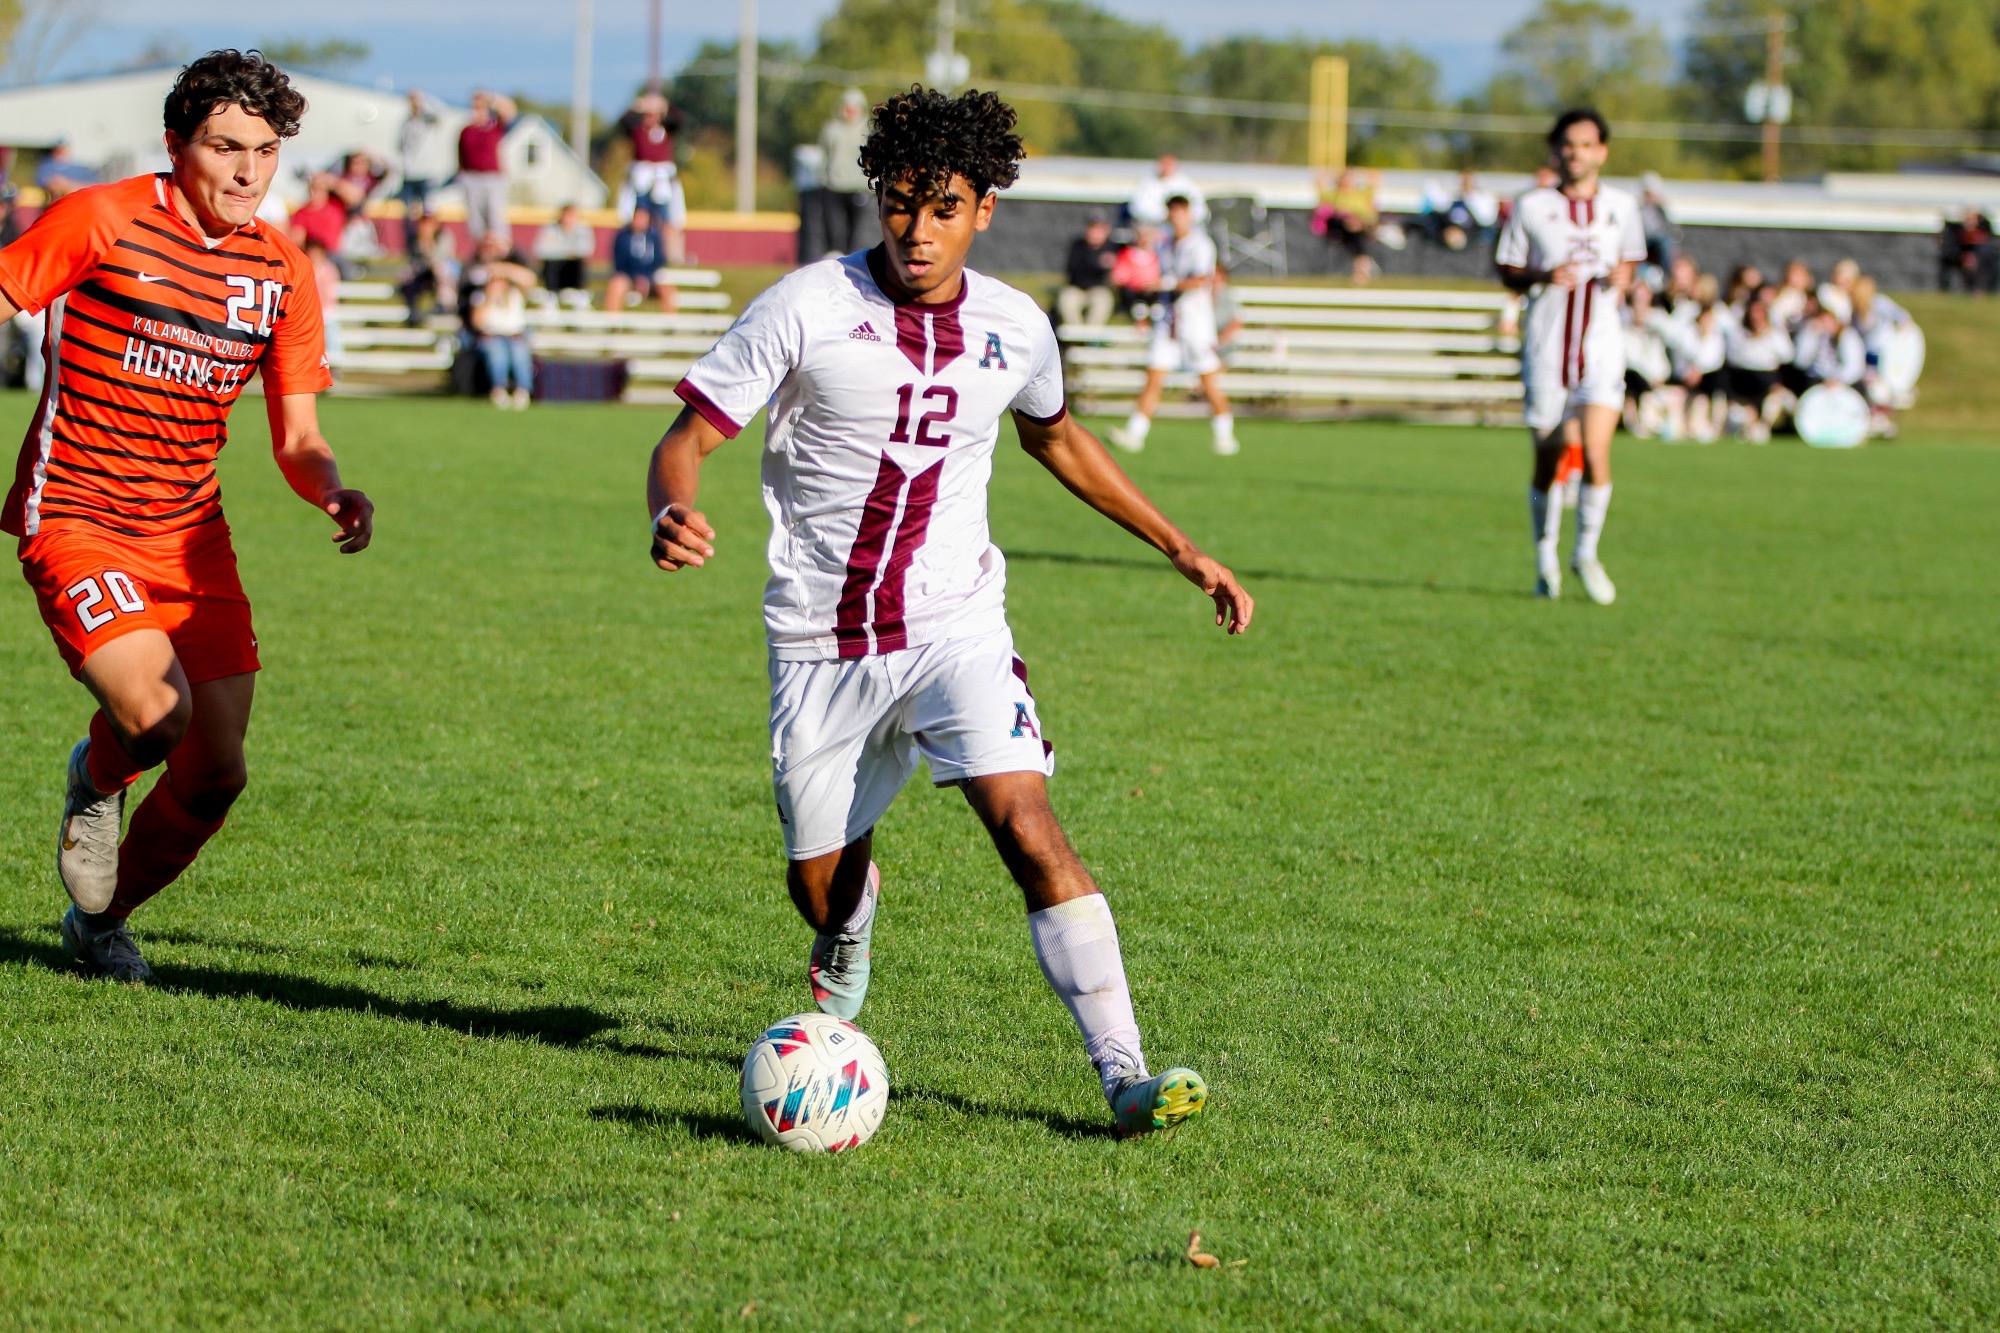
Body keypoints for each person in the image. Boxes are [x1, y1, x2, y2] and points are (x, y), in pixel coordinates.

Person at [644, 87, 1250, 1139]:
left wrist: (1182, 548)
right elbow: (687, 435)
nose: (916, 230)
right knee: (820, 884)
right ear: (879, 198)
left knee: (1027, 823)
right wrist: (671, 508)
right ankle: (849, 925)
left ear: (985, 210)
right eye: (900, 203)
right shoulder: (803, 305)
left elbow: (1056, 440)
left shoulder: (1015, 327)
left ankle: (1123, 1075)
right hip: (820, 638)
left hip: (954, 624)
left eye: (943, 207)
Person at [0, 49, 373, 982]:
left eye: (266, 150)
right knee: (155, 716)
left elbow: (297, 436)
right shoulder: (102, 217)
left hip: (191, 540)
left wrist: (330, 486)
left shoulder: (283, 273)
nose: (248, 171)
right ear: (177, 145)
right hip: (77, 515)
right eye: (224, 147)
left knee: (216, 774)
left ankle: (101, 921)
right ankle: (96, 777)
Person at [1495, 108, 1646, 605]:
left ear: (1601, 151)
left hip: (1601, 346)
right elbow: (1508, 269)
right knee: (1549, 457)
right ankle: (1545, 556)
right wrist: (1543, 277)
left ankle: (1586, 553)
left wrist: (1624, 278)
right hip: (1546, 346)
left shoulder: (1623, 206)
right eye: (1567, 144)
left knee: (1597, 452)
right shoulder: (1533, 206)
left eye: (1585, 144)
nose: (1575, 153)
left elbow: (1630, 261)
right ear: (1554, 150)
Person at [1108, 195, 1239, 457]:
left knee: (1208, 380)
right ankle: (1135, 433)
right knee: (1154, 376)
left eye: (1181, 212)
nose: (1176, 217)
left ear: (1189, 215)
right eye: (1172, 212)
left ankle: (1225, 435)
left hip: (1194, 324)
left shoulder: (1200, 245)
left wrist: (1166, 283)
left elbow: (1201, 279)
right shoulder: (1165, 244)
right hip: (1168, 321)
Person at [465, 233, 537, 409]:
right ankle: (499, 389)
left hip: (515, 335)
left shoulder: (516, 291)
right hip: (491, 336)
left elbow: (530, 279)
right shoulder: (481, 294)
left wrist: (501, 268)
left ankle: (523, 390)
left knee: (520, 354)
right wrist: (490, 298)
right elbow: (477, 321)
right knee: (497, 353)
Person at [616, 90, 687, 265]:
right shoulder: (637, 130)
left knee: (666, 219)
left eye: (655, 115)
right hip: (642, 180)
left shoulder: (666, 130)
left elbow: (680, 119)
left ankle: (668, 254)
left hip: (662, 180)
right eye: (648, 115)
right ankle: (639, 254)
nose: (651, 118)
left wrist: (665, 104)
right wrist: (637, 105)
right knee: (640, 217)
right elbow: (623, 121)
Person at [1722, 292, 1792, 441]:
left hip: (1768, 380)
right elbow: (1733, 357)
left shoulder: (1776, 334)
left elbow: (1787, 355)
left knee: (1774, 403)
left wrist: (1767, 334)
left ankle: (1760, 426)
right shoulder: (1740, 334)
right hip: (1743, 380)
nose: (1756, 318)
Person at [816, 88, 873, 257]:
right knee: (834, 228)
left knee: (857, 231)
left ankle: (854, 259)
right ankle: (834, 258)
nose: (850, 113)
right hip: (834, 185)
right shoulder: (831, 129)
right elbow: (824, 155)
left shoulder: (868, 131)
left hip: (859, 187)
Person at [456, 90, 516, 244]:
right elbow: (461, 156)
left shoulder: (495, 127)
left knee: (495, 216)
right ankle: (481, 249)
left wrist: (491, 99)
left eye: (480, 108)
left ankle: (501, 248)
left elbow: (510, 110)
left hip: (492, 178)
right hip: (471, 178)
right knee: (476, 219)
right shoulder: (467, 131)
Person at [396, 89, 447, 253]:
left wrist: (425, 98)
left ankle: (431, 246)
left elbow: (442, 110)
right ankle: (412, 247)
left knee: (429, 214)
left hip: (427, 174)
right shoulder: (406, 123)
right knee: (409, 215)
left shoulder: (428, 121)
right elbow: (401, 147)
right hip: (409, 175)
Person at [1312, 168, 1378, 283]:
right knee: (1348, 226)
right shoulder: (1333, 194)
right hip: (1338, 227)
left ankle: (1360, 269)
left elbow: (1376, 178)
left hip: (1358, 228)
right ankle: (1362, 265)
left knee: (1356, 235)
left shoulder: (1361, 194)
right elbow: (1319, 185)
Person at [1056, 210, 1117, 328]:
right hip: (1077, 289)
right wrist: (1098, 263)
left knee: (1102, 301)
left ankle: (1090, 339)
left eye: (1099, 229)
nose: (1094, 233)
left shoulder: (1112, 247)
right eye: (1092, 228)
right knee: (1067, 300)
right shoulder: (1078, 246)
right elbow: (1073, 269)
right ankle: (1077, 337)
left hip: (1099, 290)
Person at [398, 210, 460, 323]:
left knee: (441, 268)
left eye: (430, 222)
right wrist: (423, 242)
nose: (426, 226)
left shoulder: (445, 236)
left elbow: (440, 258)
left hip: (444, 271)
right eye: (424, 222)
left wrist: (428, 243)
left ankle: (447, 304)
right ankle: (413, 308)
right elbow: (414, 260)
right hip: (423, 271)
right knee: (405, 275)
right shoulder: (413, 238)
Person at [604, 205, 666, 312]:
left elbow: (659, 260)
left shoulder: (654, 237)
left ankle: (669, 324)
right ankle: (612, 324)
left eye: (642, 217)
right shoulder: (623, 236)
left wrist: (646, 278)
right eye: (637, 217)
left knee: (667, 289)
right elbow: (620, 261)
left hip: (649, 277)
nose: (639, 220)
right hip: (628, 276)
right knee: (617, 285)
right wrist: (635, 277)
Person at [1126, 154, 1207, 228]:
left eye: (1169, 164)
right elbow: (1137, 208)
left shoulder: (1185, 184)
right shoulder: (1148, 184)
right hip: (1155, 231)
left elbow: (1200, 210)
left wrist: (1181, 218)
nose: (1166, 167)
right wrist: (1165, 216)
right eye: (1164, 164)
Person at [535, 203, 596, 298]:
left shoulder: (583, 229)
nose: (567, 219)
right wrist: (567, 253)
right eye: (565, 215)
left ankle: (578, 295)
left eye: (571, 215)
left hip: (573, 267)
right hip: (554, 267)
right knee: (551, 263)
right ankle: (551, 295)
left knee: (578, 263)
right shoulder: (550, 229)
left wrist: (561, 252)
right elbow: (541, 250)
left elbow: (586, 251)